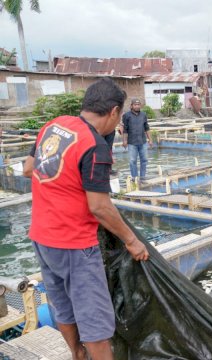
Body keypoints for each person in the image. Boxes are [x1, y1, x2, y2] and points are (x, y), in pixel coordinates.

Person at [23, 78, 149, 360]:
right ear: (115, 112)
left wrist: (63, 183)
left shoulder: (53, 125)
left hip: (42, 236)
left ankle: (77, 355)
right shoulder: (94, 145)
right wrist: (132, 241)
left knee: (62, 305)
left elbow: (29, 169)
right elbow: (100, 207)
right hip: (75, 244)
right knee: (96, 323)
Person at [122, 98, 152, 179]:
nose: (137, 106)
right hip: (132, 142)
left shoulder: (143, 115)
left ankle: (142, 177)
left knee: (144, 160)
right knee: (132, 161)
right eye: (135, 105)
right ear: (131, 106)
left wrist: (150, 140)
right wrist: (124, 141)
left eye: (138, 105)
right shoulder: (126, 116)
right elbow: (125, 129)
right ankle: (134, 178)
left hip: (143, 142)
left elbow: (146, 127)